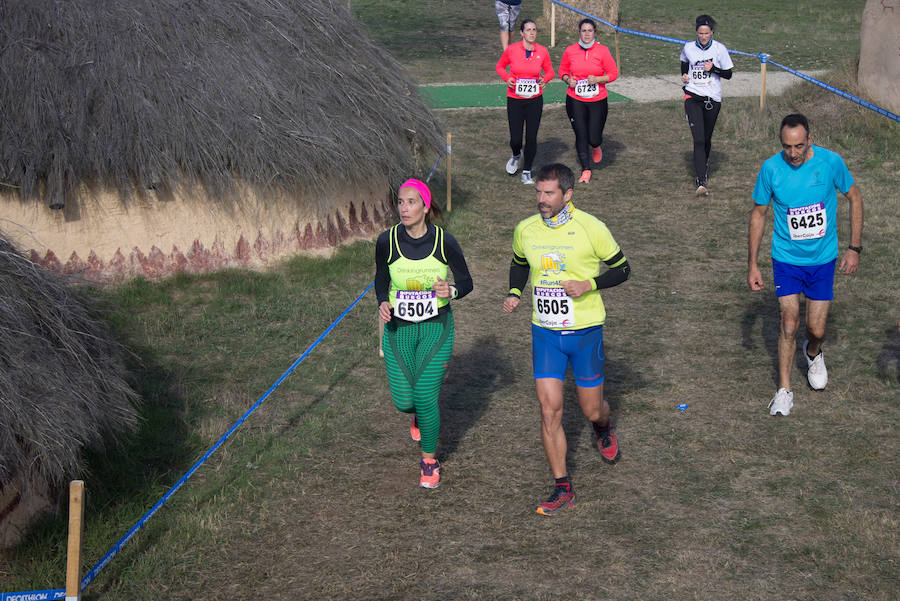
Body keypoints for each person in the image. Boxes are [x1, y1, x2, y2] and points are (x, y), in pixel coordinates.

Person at [503, 163, 631, 515]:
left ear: (568, 194)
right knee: (549, 410)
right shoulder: (526, 229)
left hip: (585, 332)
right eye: (538, 192)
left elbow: (623, 269)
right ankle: (563, 487)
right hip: (545, 333)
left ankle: (603, 427)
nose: (541, 200)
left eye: (549, 193)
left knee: (592, 408)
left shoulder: (591, 228)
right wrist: (515, 291)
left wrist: (588, 284)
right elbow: (519, 262)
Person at [747, 114, 863, 417]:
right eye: (787, 146)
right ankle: (784, 391)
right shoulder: (771, 168)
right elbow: (759, 214)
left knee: (816, 328)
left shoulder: (830, 162)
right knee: (789, 324)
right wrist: (753, 264)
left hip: (823, 260)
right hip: (786, 258)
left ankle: (813, 352)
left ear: (809, 139)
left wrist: (854, 248)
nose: (793, 153)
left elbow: (854, 196)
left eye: (798, 146)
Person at [375, 179, 473, 487]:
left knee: (425, 395)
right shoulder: (386, 241)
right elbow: (380, 277)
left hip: (436, 328)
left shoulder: (444, 241)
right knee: (405, 402)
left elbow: (467, 281)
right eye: (401, 202)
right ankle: (418, 414)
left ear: (425, 206)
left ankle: (429, 461)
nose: (404, 208)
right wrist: (382, 302)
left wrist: (452, 290)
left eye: (411, 202)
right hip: (398, 329)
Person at [559, 18, 618, 184]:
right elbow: (562, 71)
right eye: (583, 31)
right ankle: (586, 169)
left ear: (594, 33)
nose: (586, 34)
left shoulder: (603, 51)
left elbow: (613, 73)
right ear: (579, 32)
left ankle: (596, 145)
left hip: (597, 99)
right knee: (580, 134)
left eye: (590, 31)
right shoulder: (570, 50)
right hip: (575, 98)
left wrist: (598, 79)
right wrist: (567, 79)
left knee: (593, 137)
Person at [495, 19, 555, 185]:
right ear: (521, 33)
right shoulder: (512, 50)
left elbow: (550, 71)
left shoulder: (542, 51)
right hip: (515, 99)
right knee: (515, 139)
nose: (532, 33)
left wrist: (545, 79)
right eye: (528, 30)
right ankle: (516, 155)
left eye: (534, 29)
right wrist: (507, 79)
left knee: (531, 137)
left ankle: (527, 171)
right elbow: (500, 67)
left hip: (535, 100)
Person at [680, 14, 733, 196]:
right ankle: (701, 180)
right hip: (692, 96)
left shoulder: (720, 49)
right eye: (701, 33)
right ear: (696, 32)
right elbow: (684, 62)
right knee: (699, 139)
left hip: (712, 99)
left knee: (707, 138)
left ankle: (704, 162)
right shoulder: (688, 47)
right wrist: (684, 76)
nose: (703, 37)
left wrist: (714, 69)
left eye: (707, 33)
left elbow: (728, 74)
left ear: (712, 33)